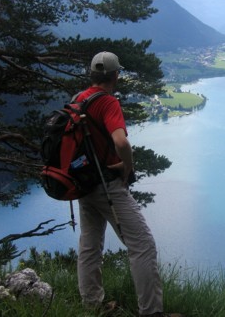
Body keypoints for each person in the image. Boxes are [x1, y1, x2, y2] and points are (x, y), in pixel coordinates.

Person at [75, 51, 166, 317]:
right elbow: (121, 142)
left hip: (83, 183)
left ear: (92, 75)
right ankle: (151, 311)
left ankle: (91, 305)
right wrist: (128, 166)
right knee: (142, 244)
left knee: (90, 244)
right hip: (106, 184)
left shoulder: (78, 100)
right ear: (116, 75)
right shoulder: (107, 103)